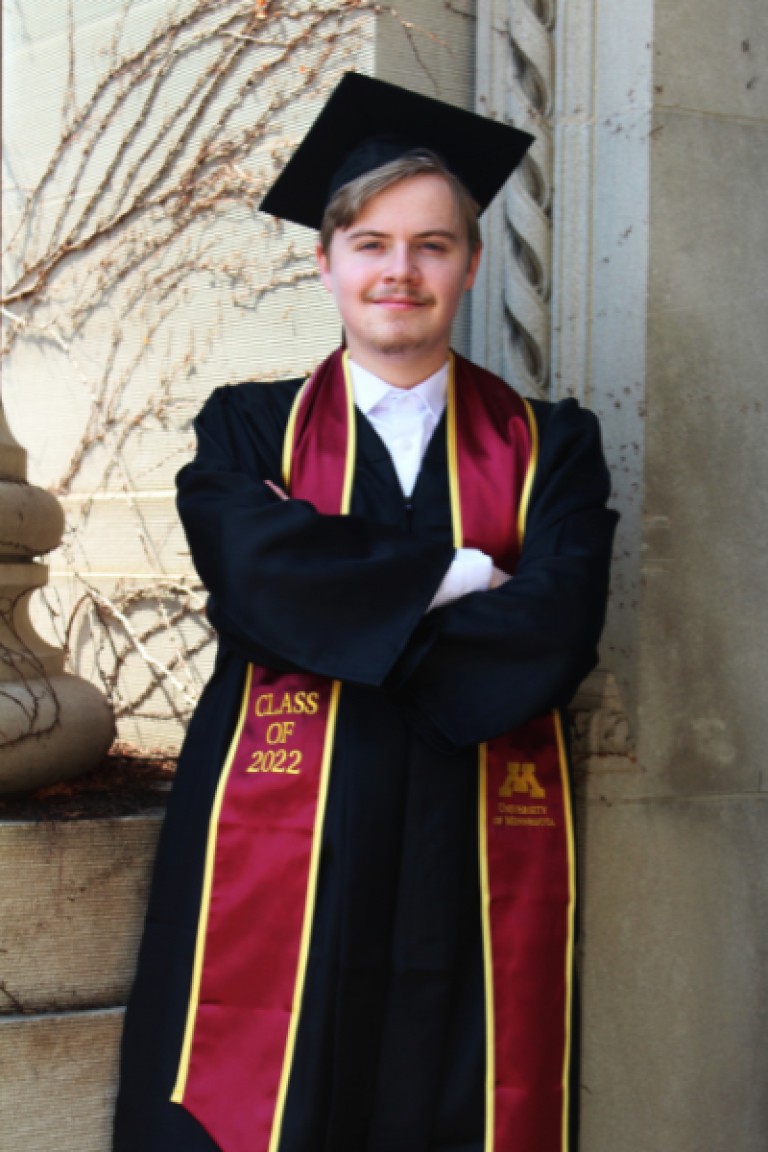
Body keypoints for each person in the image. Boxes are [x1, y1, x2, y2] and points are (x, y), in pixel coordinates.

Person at [113, 74, 618, 1152]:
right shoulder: (247, 431)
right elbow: (252, 582)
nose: (401, 270)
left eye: (433, 245)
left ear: (470, 266)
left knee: (455, 1085)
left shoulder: (553, 445)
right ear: (326, 260)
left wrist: (339, 606)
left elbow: (559, 625)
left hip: (466, 816)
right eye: (373, 243)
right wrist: (454, 577)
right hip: (290, 823)